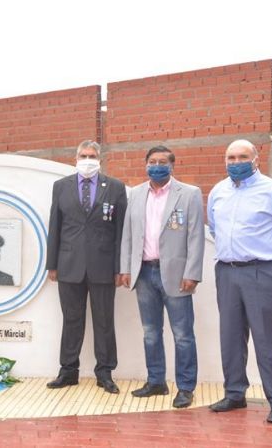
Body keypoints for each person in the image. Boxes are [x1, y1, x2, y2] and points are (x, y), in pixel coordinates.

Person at [207, 139, 272, 424]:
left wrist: (271, 262)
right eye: (231, 157)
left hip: (263, 271)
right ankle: (235, 393)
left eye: (242, 157)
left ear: (256, 159)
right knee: (231, 337)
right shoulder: (218, 191)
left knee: (267, 339)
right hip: (226, 271)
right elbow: (214, 227)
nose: (236, 163)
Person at [119, 146, 204, 409]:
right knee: (150, 332)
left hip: (177, 275)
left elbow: (196, 237)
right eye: (152, 161)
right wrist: (126, 268)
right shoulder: (135, 194)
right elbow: (128, 234)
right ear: (145, 165)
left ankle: (186, 387)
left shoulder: (189, 194)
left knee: (183, 334)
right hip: (144, 272)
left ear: (172, 165)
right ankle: (156, 381)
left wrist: (192, 273)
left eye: (162, 162)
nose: (157, 165)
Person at [45, 140, 127, 393]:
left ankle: (105, 372)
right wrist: (52, 265)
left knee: (104, 322)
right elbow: (55, 227)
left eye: (92, 155)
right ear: (75, 158)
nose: (87, 159)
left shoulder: (115, 187)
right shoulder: (61, 187)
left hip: (103, 266)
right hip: (69, 265)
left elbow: (121, 230)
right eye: (83, 155)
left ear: (100, 159)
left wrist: (119, 267)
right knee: (72, 320)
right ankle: (68, 371)